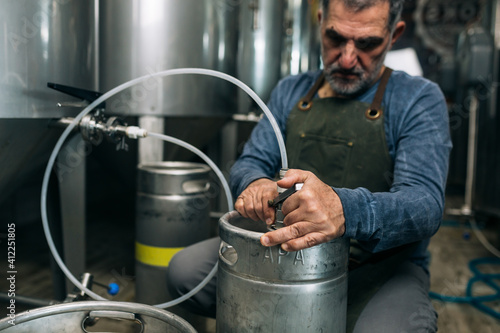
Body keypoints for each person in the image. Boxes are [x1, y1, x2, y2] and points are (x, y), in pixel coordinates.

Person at [167, 0, 451, 331]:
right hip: (288, 252)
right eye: (335, 38)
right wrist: (254, 183)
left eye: (367, 43)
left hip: (379, 265)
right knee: (184, 273)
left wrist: (345, 211)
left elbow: (425, 205)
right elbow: (252, 161)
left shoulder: (417, 99)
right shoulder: (292, 91)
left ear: (394, 34)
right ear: (320, 23)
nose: (346, 58)